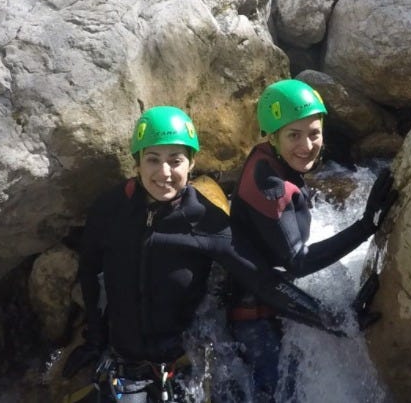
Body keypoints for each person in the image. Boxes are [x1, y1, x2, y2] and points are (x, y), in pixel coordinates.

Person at [61, 106, 345, 403]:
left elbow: (263, 282)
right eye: (153, 160)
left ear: (192, 163)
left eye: (176, 160)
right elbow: (91, 271)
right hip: (121, 365)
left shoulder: (205, 222)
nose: (164, 173)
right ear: (137, 163)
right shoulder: (110, 209)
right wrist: (93, 340)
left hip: (179, 370)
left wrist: (332, 320)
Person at [225, 79, 397, 401]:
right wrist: (365, 225)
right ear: (272, 136)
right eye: (294, 135)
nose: (307, 145)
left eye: (314, 133)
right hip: (255, 317)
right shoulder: (270, 186)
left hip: (269, 295)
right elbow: (297, 261)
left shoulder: (270, 159)